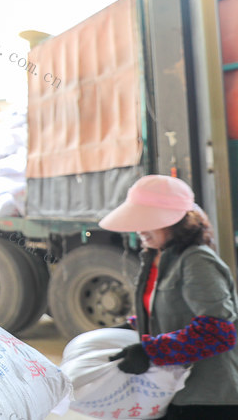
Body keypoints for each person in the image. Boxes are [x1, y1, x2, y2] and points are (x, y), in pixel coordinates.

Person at [98, 174, 238, 419]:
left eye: (149, 221)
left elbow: (218, 332)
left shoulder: (196, 261)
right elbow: (167, 310)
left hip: (207, 400)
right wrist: (132, 325)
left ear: (179, 223)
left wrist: (151, 351)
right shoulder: (155, 257)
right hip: (169, 392)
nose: (140, 229)